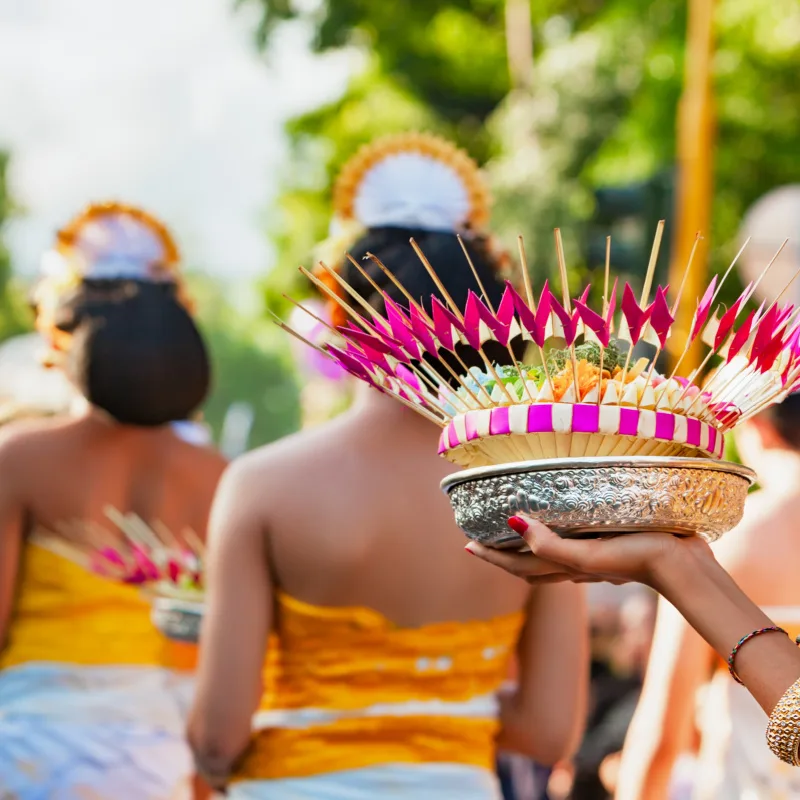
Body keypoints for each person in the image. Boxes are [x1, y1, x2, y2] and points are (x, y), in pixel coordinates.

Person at [188, 133, 589, 799]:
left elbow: (215, 737)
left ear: (341, 320)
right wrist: (437, 721)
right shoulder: (541, 494)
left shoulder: (261, 486)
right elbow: (549, 733)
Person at [0, 202, 227, 799]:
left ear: (61, 336)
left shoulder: (18, 460)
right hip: (164, 756)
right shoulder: (223, 478)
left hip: (30, 752)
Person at [466, 398, 800, 783]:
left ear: (758, 425)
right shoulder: (712, 546)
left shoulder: (732, 540)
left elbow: (661, 736)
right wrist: (677, 565)